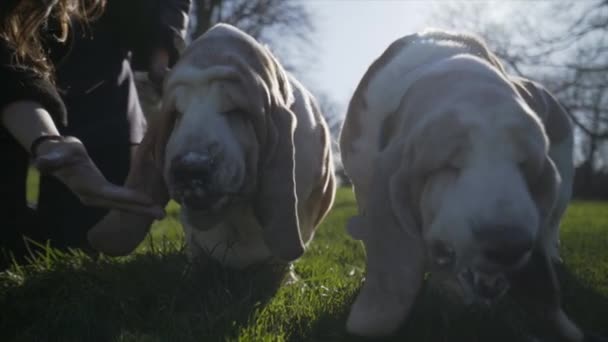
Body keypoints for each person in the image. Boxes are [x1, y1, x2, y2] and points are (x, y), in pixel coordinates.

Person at [0, 0, 181, 267]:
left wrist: (161, 50)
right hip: (25, 95)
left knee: (77, 238)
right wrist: (46, 140)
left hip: (99, 92)